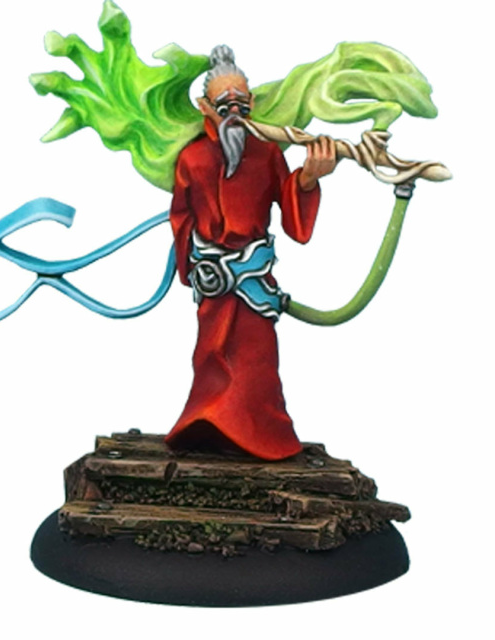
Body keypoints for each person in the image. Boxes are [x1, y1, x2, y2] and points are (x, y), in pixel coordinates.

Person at [164, 45, 339, 460]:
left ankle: (262, 434)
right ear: (205, 107)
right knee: (211, 358)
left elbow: (293, 217)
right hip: (214, 285)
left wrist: (308, 179)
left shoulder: (267, 155)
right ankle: (206, 426)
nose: (234, 113)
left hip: (255, 283)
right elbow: (181, 217)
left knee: (257, 360)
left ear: (253, 103)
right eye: (224, 105)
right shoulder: (192, 159)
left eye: (241, 103)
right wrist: (194, 266)